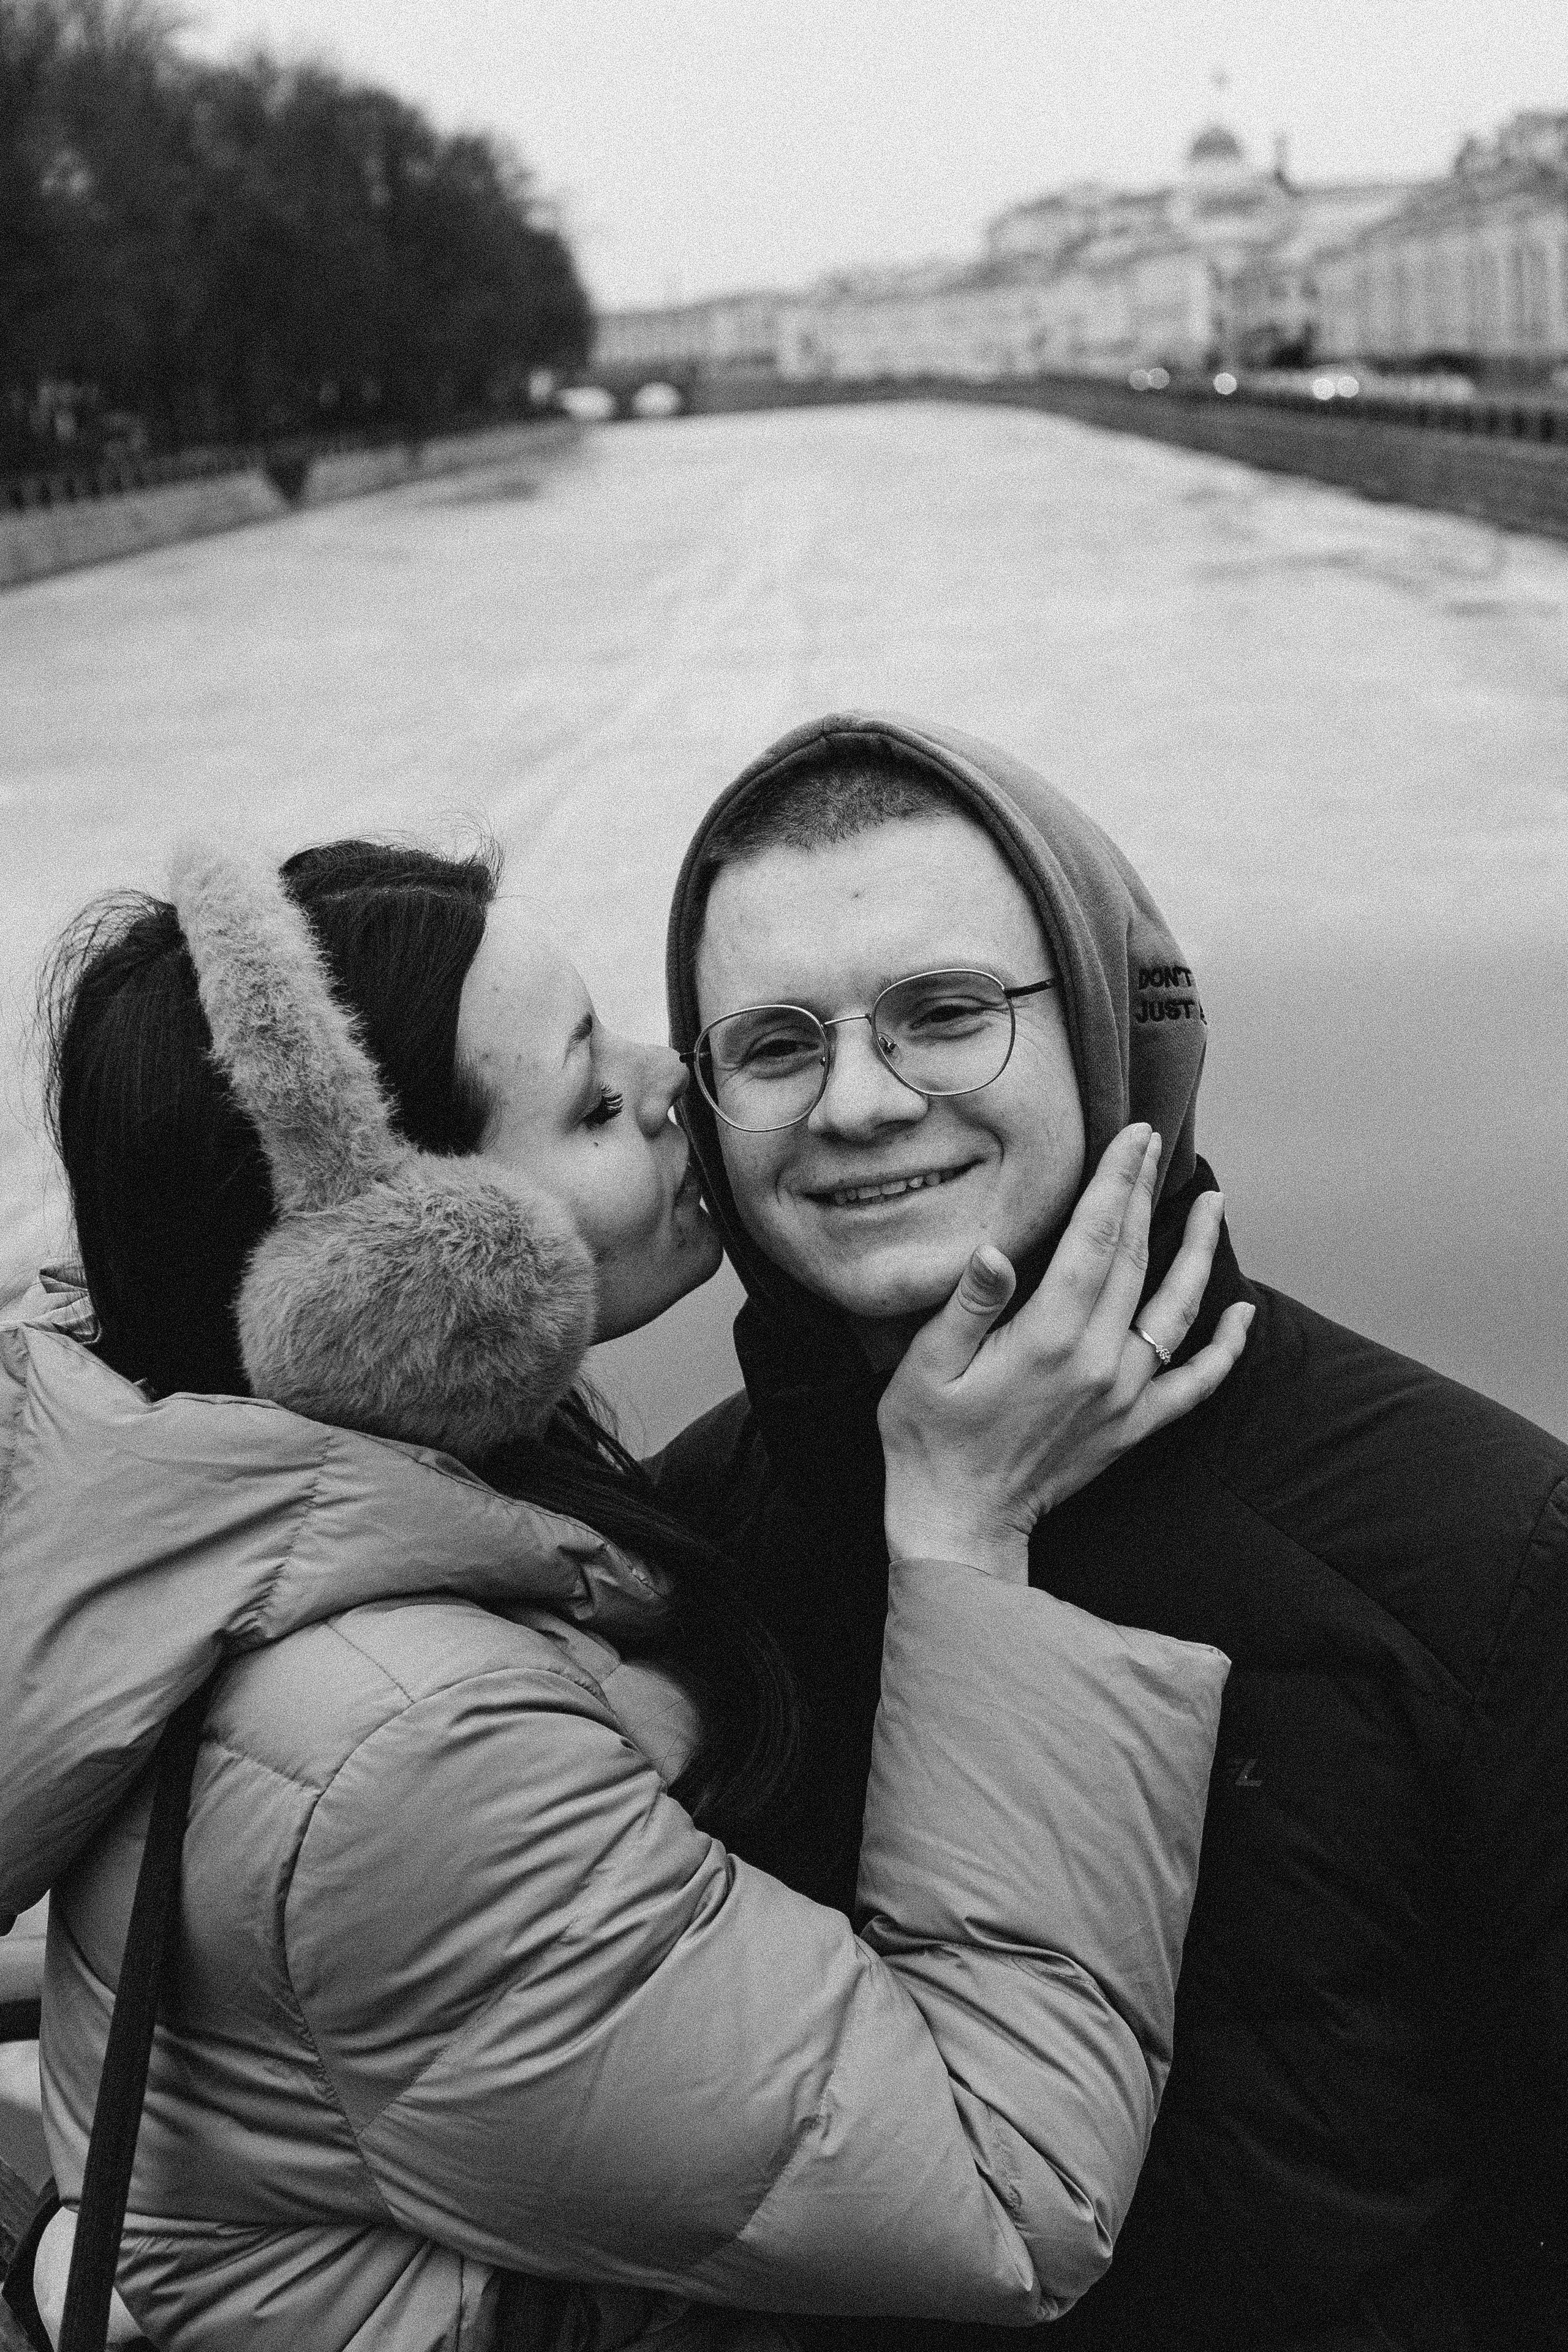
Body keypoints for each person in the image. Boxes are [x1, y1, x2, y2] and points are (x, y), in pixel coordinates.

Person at [0, 837, 1246, 2352]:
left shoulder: (359, 1543)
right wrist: (963, 1536)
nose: (683, 1082)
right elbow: (1007, 2193)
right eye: (592, 1100)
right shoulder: (407, 1740)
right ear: (408, 1276)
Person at [658, 711, 1568, 2352]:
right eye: (778, 1044)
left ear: (1102, 1022)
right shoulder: (683, 1556)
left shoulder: (1481, 1548)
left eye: (944, 1015)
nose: (860, 1103)